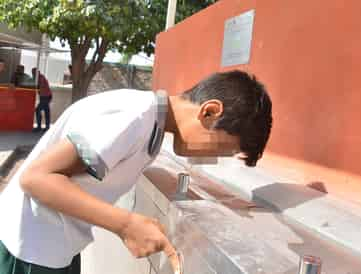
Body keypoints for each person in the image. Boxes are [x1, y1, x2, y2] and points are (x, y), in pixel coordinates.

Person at [0, 70, 273, 274]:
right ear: (210, 112)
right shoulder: (135, 117)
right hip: (29, 251)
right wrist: (126, 225)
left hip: (54, 248)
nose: (212, 159)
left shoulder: (151, 126)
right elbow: (36, 177)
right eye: (221, 149)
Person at [32, 68, 53, 132]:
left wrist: (34, 86)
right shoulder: (39, 77)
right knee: (46, 111)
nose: (33, 74)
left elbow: (39, 86)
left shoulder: (41, 78)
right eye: (32, 72)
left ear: (37, 72)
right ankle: (47, 127)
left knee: (38, 110)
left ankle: (39, 127)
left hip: (45, 96)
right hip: (45, 96)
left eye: (34, 72)